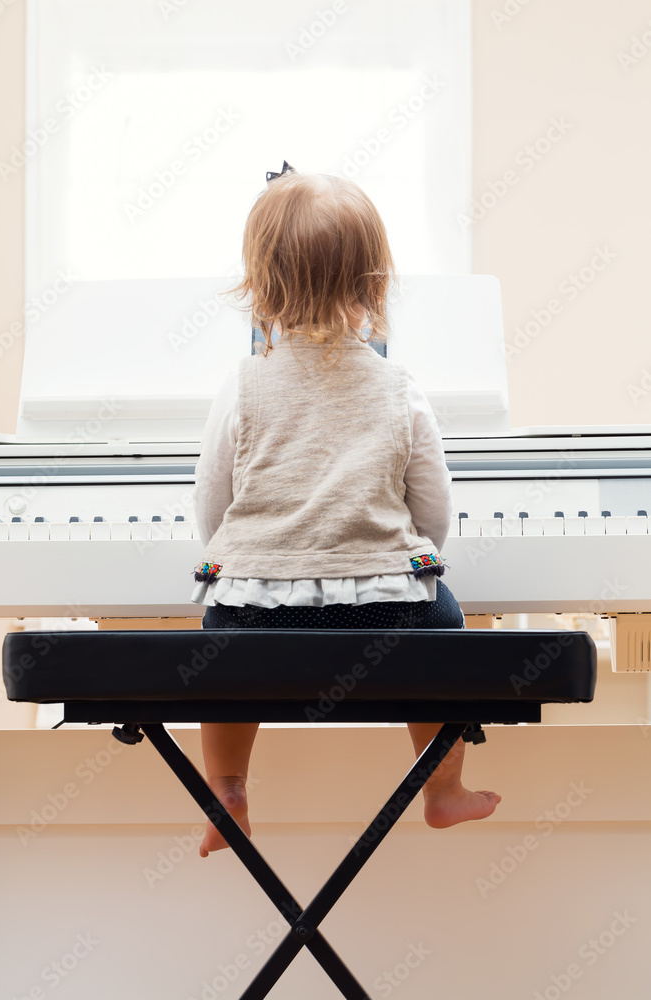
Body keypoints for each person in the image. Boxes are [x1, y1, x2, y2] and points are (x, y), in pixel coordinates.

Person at [190, 167, 501, 858]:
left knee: (215, 632)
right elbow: (434, 508)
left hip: (254, 613)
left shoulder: (240, 385)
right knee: (442, 618)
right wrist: (412, 560)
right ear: (373, 285)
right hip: (385, 611)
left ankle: (228, 791)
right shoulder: (397, 386)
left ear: (261, 286)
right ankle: (442, 788)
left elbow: (212, 502)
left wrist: (245, 562)